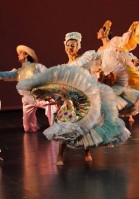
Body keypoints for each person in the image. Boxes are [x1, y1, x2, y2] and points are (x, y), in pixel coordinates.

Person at [17, 32, 131, 165]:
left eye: (73, 45)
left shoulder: (85, 59)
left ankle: (87, 151)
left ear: (78, 47)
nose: (70, 48)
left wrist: (105, 73)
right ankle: (60, 155)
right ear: (65, 47)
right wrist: (56, 97)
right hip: (70, 100)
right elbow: (64, 85)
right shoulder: (65, 67)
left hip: (84, 99)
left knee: (88, 126)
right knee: (64, 124)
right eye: (68, 45)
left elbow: (96, 67)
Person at [97, 20, 139, 122]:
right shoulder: (99, 50)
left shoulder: (114, 41)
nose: (97, 33)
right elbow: (99, 63)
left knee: (126, 88)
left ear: (105, 32)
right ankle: (114, 115)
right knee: (113, 94)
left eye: (99, 31)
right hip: (108, 73)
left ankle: (129, 114)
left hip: (117, 70)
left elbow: (124, 41)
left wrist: (130, 31)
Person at [0, 45, 56, 132]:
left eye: (20, 54)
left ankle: (56, 126)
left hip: (40, 97)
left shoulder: (37, 67)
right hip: (27, 100)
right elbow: (6, 75)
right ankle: (33, 126)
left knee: (53, 106)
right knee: (28, 128)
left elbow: (49, 76)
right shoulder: (19, 71)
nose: (18, 55)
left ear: (26, 55)